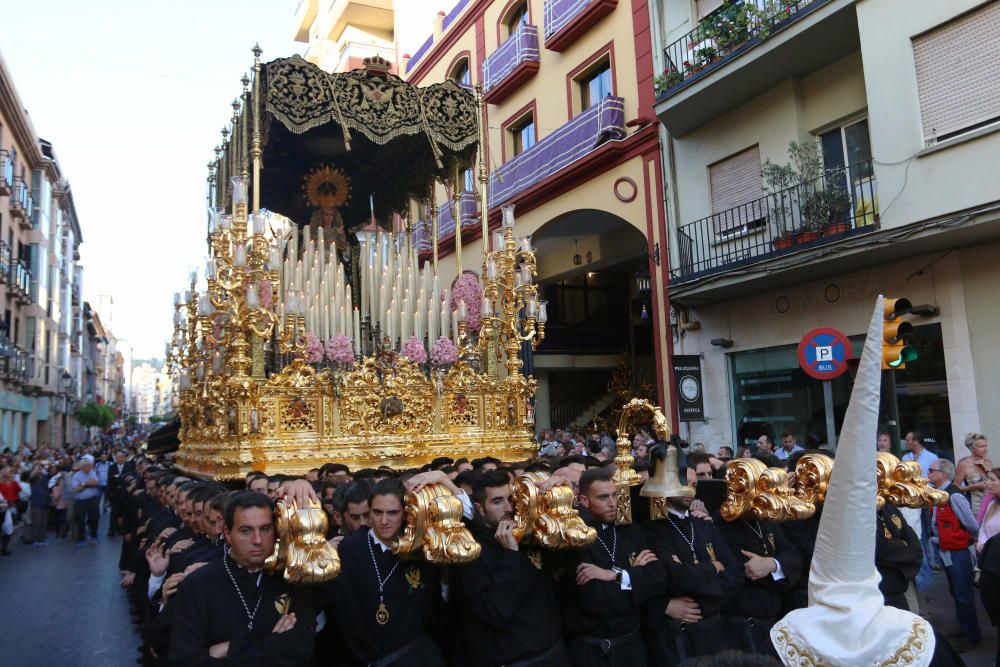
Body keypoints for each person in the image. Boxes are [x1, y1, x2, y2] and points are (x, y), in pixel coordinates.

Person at [319, 475, 459, 666]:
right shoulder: (349, 550)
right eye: (377, 512)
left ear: (405, 513)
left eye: (392, 513)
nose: (384, 521)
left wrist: (447, 482)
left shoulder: (420, 548)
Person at [168, 491, 315, 665]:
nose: (258, 540)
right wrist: (272, 644)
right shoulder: (197, 584)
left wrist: (227, 650)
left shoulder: (292, 578)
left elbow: (300, 650)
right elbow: (186, 660)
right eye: (246, 531)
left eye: (265, 529)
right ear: (228, 534)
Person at [452, 469, 571, 666]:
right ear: (480, 509)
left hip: (555, 654)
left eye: (510, 499)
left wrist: (563, 500)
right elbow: (494, 611)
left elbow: (569, 563)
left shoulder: (531, 536)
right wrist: (512, 555)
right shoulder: (471, 553)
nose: (508, 508)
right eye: (497, 501)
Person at [643, 453, 743, 663]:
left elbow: (735, 572)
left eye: (695, 484)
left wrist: (704, 603)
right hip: (676, 636)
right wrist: (714, 568)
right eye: (684, 483)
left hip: (713, 630)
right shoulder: (653, 529)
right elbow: (674, 577)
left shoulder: (705, 524)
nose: (690, 490)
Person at [565, 467, 665, 666]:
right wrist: (636, 577)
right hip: (595, 651)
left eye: (615, 495)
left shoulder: (630, 529)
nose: (612, 503)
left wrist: (614, 575)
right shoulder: (575, 538)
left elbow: (658, 577)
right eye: (603, 497)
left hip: (633, 645)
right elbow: (597, 600)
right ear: (584, 501)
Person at [715, 510, 801, 656]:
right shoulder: (718, 522)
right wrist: (775, 573)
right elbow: (742, 570)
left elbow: (794, 557)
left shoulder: (767, 521)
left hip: (772, 626)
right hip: (738, 628)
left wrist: (771, 564)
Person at [928, 458, 982, 651]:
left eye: (931, 470)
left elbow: (971, 523)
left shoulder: (953, 496)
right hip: (947, 550)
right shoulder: (940, 494)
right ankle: (965, 628)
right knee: (956, 592)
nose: (928, 473)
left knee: (963, 594)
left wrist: (971, 542)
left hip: (958, 550)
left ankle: (971, 635)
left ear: (943, 474)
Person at [874, 502, 922, 610]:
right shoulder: (859, 512)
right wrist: (902, 545)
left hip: (900, 586)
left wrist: (901, 548)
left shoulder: (889, 507)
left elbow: (911, 538)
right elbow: (878, 548)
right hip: (881, 593)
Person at [954, 433, 993, 517]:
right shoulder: (964, 464)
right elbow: (955, 489)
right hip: (974, 507)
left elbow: (995, 482)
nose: (985, 449)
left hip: (991, 504)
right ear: (972, 448)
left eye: (986, 446)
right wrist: (974, 486)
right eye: (982, 447)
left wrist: (988, 469)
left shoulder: (988, 462)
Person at [71, 455, 101, 547]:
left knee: (94, 518)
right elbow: (76, 489)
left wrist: (83, 484)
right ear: (82, 467)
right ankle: (81, 539)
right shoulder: (76, 475)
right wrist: (88, 484)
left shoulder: (92, 473)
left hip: (92, 500)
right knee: (80, 520)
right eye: (87, 466)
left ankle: (94, 535)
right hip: (81, 501)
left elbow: (95, 483)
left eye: (90, 465)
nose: (89, 467)